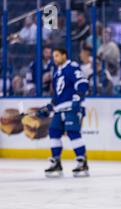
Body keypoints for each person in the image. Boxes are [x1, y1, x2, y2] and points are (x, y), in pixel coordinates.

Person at [35, 47, 90, 177]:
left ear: (64, 55)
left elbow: (82, 83)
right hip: (59, 110)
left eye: (57, 56)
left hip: (71, 107)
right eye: (54, 56)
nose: (55, 59)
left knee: (73, 133)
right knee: (53, 132)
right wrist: (49, 107)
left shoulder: (72, 67)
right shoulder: (57, 73)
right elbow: (58, 96)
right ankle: (56, 162)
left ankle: (82, 161)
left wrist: (78, 98)